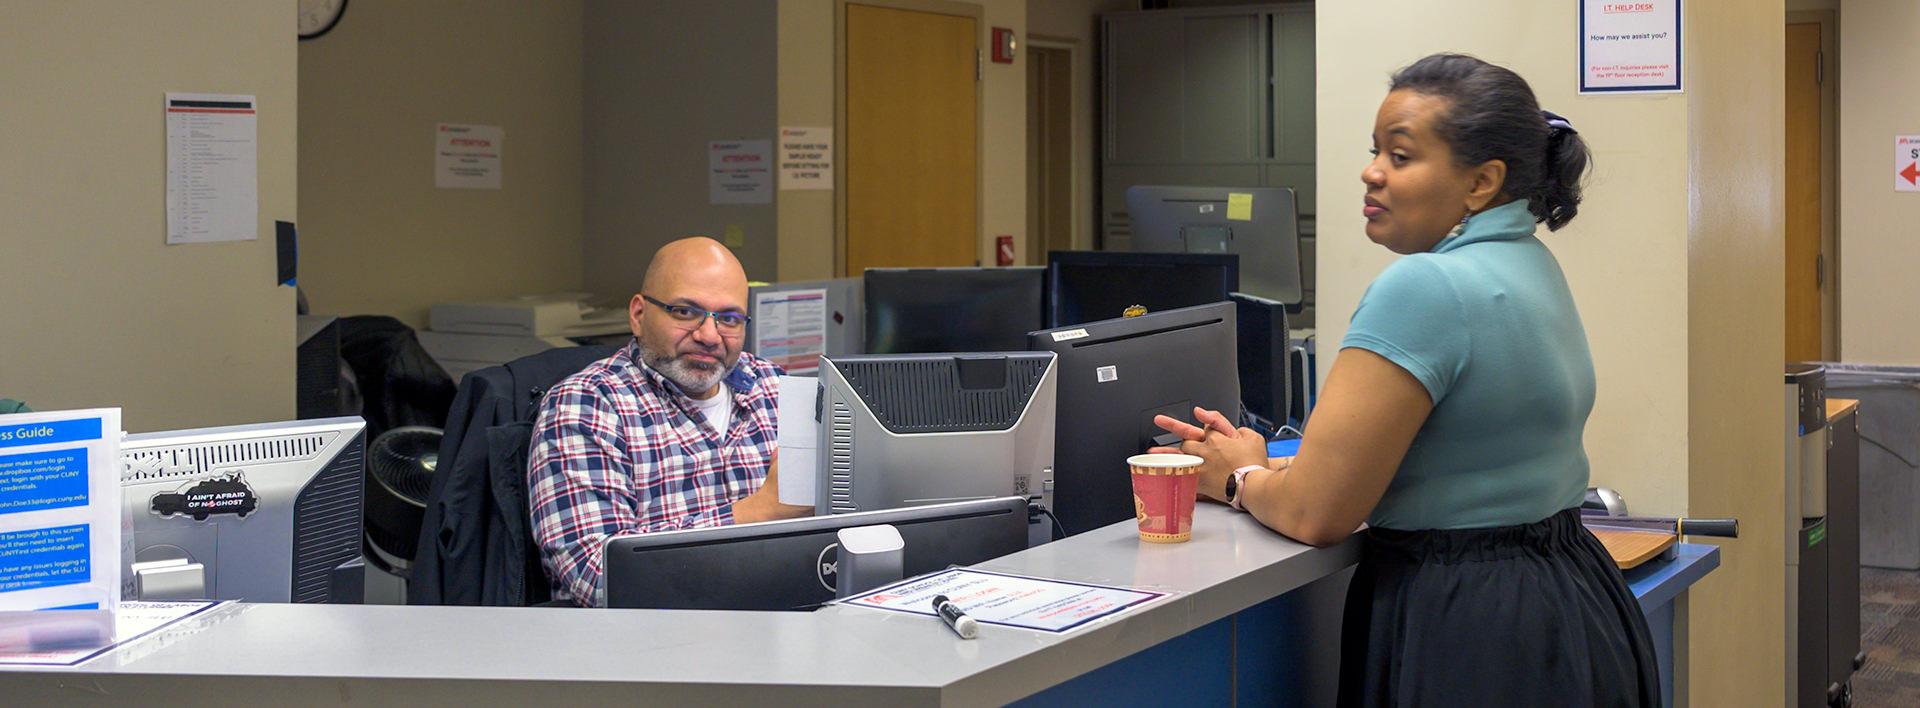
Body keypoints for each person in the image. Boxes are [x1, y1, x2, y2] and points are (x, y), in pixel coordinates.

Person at [1155, 53, 1660, 706]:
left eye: (1400, 156)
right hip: (1574, 602)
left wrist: (1239, 476)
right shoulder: (1531, 263)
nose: (1371, 172)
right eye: (1375, 152)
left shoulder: (1425, 286)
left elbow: (1318, 512)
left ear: (1482, 182)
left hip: (1471, 627)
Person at [527, 237, 812, 607]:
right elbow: (597, 579)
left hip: (781, 623)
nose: (709, 336)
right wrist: (754, 514)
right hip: (649, 648)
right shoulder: (588, 405)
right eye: (685, 312)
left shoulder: (774, 388)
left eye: (728, 318)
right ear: (639, 315)